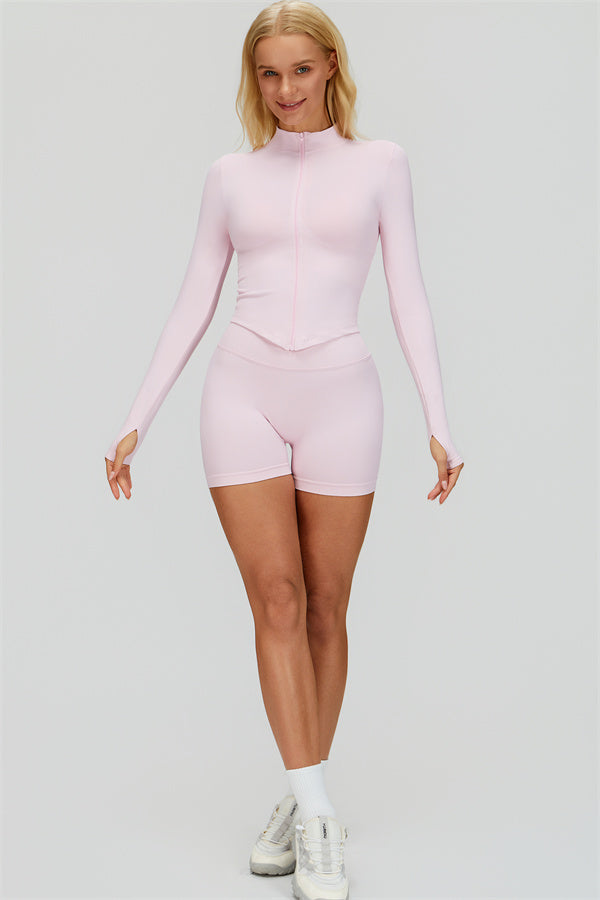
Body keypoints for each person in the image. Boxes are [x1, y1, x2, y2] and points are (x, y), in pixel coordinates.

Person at [104, 2, 465, 897]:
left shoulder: (382, 165)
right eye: (269, 73)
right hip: (243, 392)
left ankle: (302, 798)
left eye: (301, 69)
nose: (285, 89)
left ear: (332, 65)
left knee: (326, 608)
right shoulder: (230, 176)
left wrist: (440, 417)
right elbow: (195, 294)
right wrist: (138, 415)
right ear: (253, 78)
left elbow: (410, 293)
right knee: (276, 596)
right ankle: (318, 818)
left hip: (345, 394)